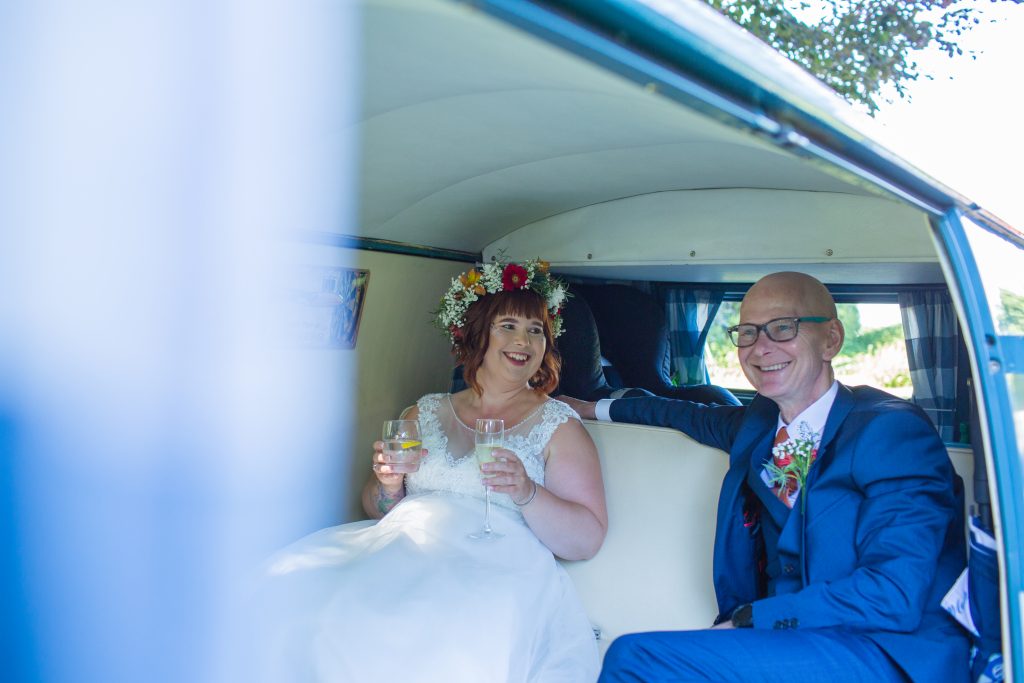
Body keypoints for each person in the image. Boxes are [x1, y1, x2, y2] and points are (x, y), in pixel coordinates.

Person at [561, 271, 968, 683]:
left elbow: (893, 595)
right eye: (748, 332)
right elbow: (679, 412)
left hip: (882, 649)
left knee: (634, 658)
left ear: (831, 339)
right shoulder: (757, 424)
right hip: (793, 641)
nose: (761, 348)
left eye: (782, 328)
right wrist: (589, 406)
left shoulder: (891, 432)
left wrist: (748, 621)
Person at [256, 258, 607, 683]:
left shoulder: (559, 424)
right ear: (476, 334)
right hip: (402, 547)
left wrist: (526, 491)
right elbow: (379, 508)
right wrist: (387, 481)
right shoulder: (423, 411)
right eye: (509, 326)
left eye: (536, 330)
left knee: (417, 625)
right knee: (291, 588)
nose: (525, 341)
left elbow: (587, 539)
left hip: (493, 567)